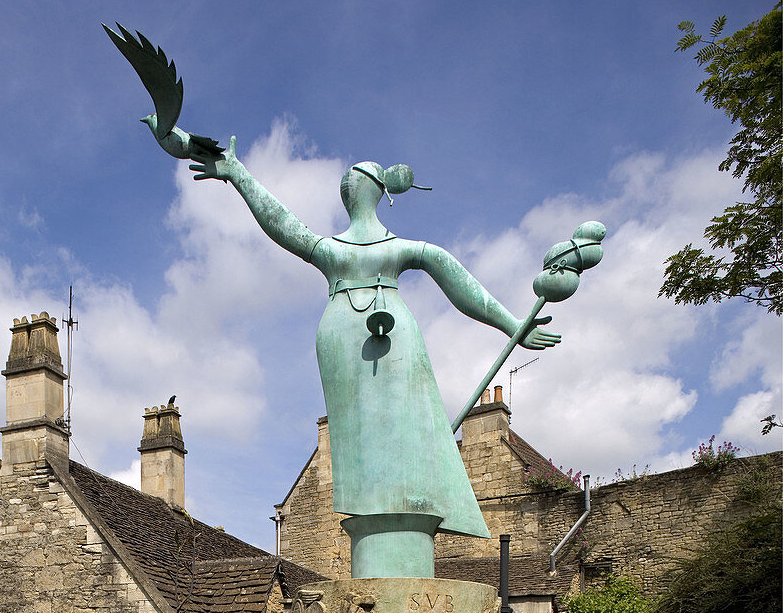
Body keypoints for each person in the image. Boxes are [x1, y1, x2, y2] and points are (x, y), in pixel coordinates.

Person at [188, 139, 560, 552]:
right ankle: (377, 518)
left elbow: (457, 282)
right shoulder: (348, 248)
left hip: (384, 334)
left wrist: (513, 325)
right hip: (344, 337)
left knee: (408, 429)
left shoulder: (385, 248)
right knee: (358, 443)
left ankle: (407, 516)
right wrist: (238, 175)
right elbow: (282, 223)